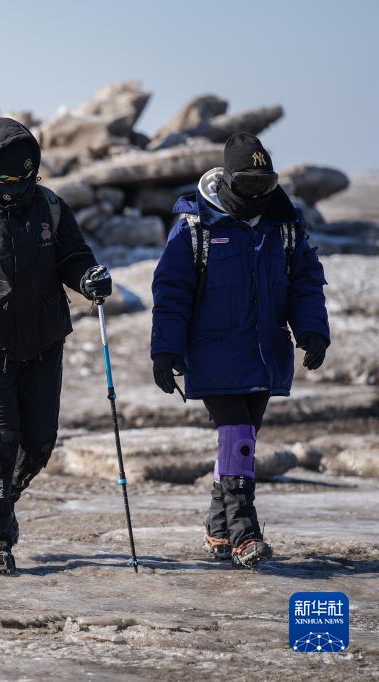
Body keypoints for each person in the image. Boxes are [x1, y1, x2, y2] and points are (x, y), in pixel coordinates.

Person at [0, 118, 111, 576]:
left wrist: (88, 278)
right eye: (6, 179)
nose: (16, 186)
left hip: (44, 341)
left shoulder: (50, 207)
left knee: (40, 442)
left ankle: (5, 497)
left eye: (25, 176)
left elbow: (74, 258)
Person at [150, 132, 330, 568]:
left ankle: (218, 530)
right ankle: (245, 535)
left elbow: (305, 281)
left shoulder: (284, 224)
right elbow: (171, 291)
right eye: (249, 185)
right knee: (238, 437)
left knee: (240, 444)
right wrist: (165, 350)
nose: (258, 195)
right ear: (229, 181)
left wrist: (312, 330)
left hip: (265, 353)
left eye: (266, 185)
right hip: (212, 354)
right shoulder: (197, 225)